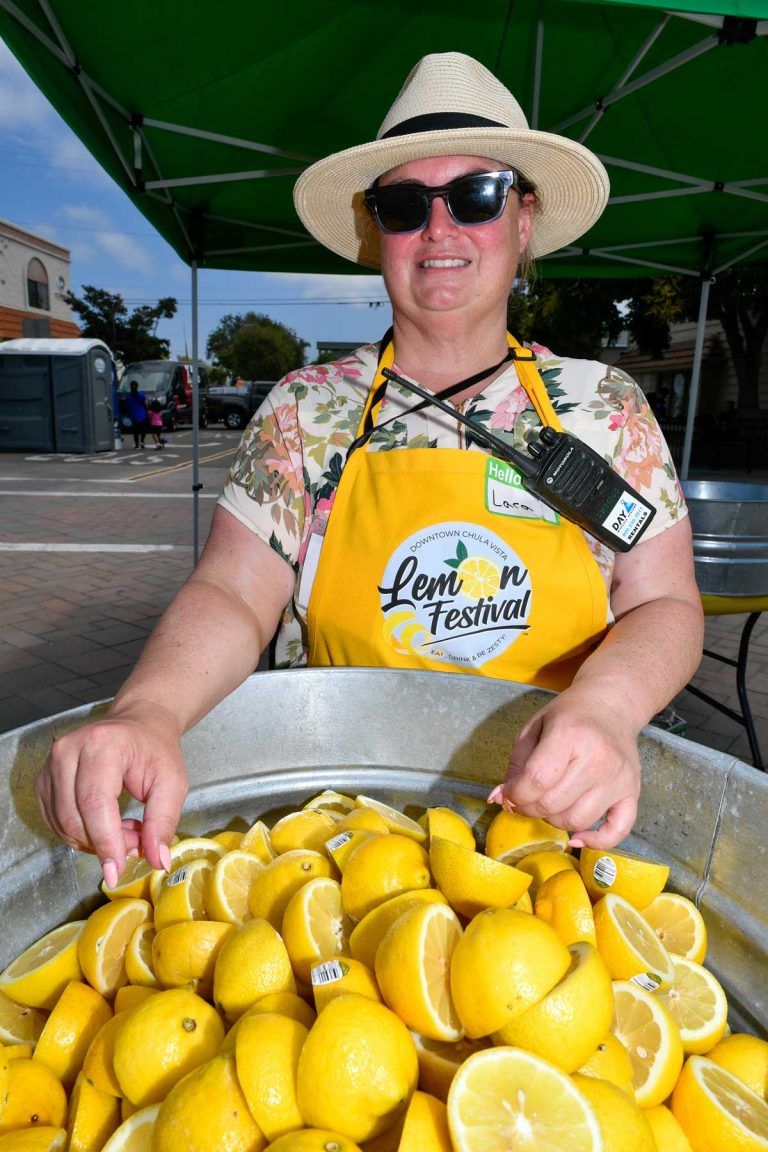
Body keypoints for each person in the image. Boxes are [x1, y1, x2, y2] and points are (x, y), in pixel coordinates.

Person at [36, 52, 703, 887]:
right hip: (348, 835)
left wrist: (606, 710)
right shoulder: (305, 409)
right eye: (402, 205)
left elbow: (666, 602)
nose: (439, 229)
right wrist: (146, 711)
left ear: (524, 219)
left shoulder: (601, 406)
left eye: (476, 196)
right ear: (373, 232)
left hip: (560, 827)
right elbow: (232, 593)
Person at [124, 379, 149, 450]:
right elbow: (146, 404)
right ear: (137, 386)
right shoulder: (141, 395)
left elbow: (127, 406)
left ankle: (136, 444)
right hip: (142, 414)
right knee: (143, 429)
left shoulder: (128, 397)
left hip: (133, 415)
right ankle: (142, 441)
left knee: (135, 431)